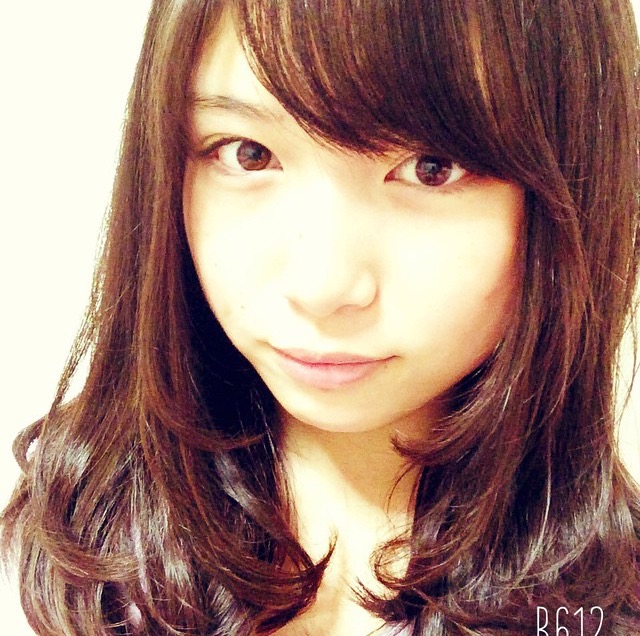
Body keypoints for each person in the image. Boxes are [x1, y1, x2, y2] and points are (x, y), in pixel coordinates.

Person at [2, 0, 640, 634]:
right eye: (249, 154)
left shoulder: (589, 615)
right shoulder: (40, 577)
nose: (322, 287)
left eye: (432, 169)